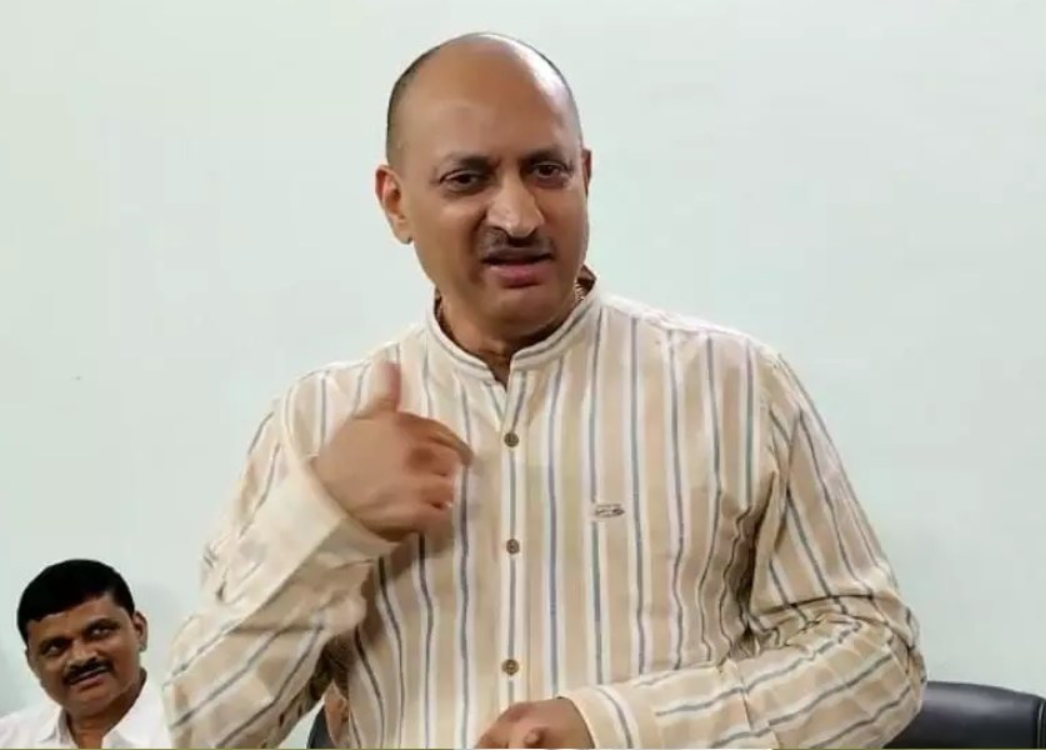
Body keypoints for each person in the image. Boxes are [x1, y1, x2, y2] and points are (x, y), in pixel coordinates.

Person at [163, 32, 925, 748]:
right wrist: (325, 521)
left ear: (585, 174)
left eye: (546, 170)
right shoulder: (315, 424)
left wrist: (620, 730)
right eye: (467, 179)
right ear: (395, 203)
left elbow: (874, 657)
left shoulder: (735, 386)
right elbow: (195, 730)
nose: (519, 216)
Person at [0, 560, 171, 749]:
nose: (81, 657)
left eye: (99, 632)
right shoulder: (9, 739)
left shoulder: (188, 732)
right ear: (32, 664)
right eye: (56, 647)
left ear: (138, 630)